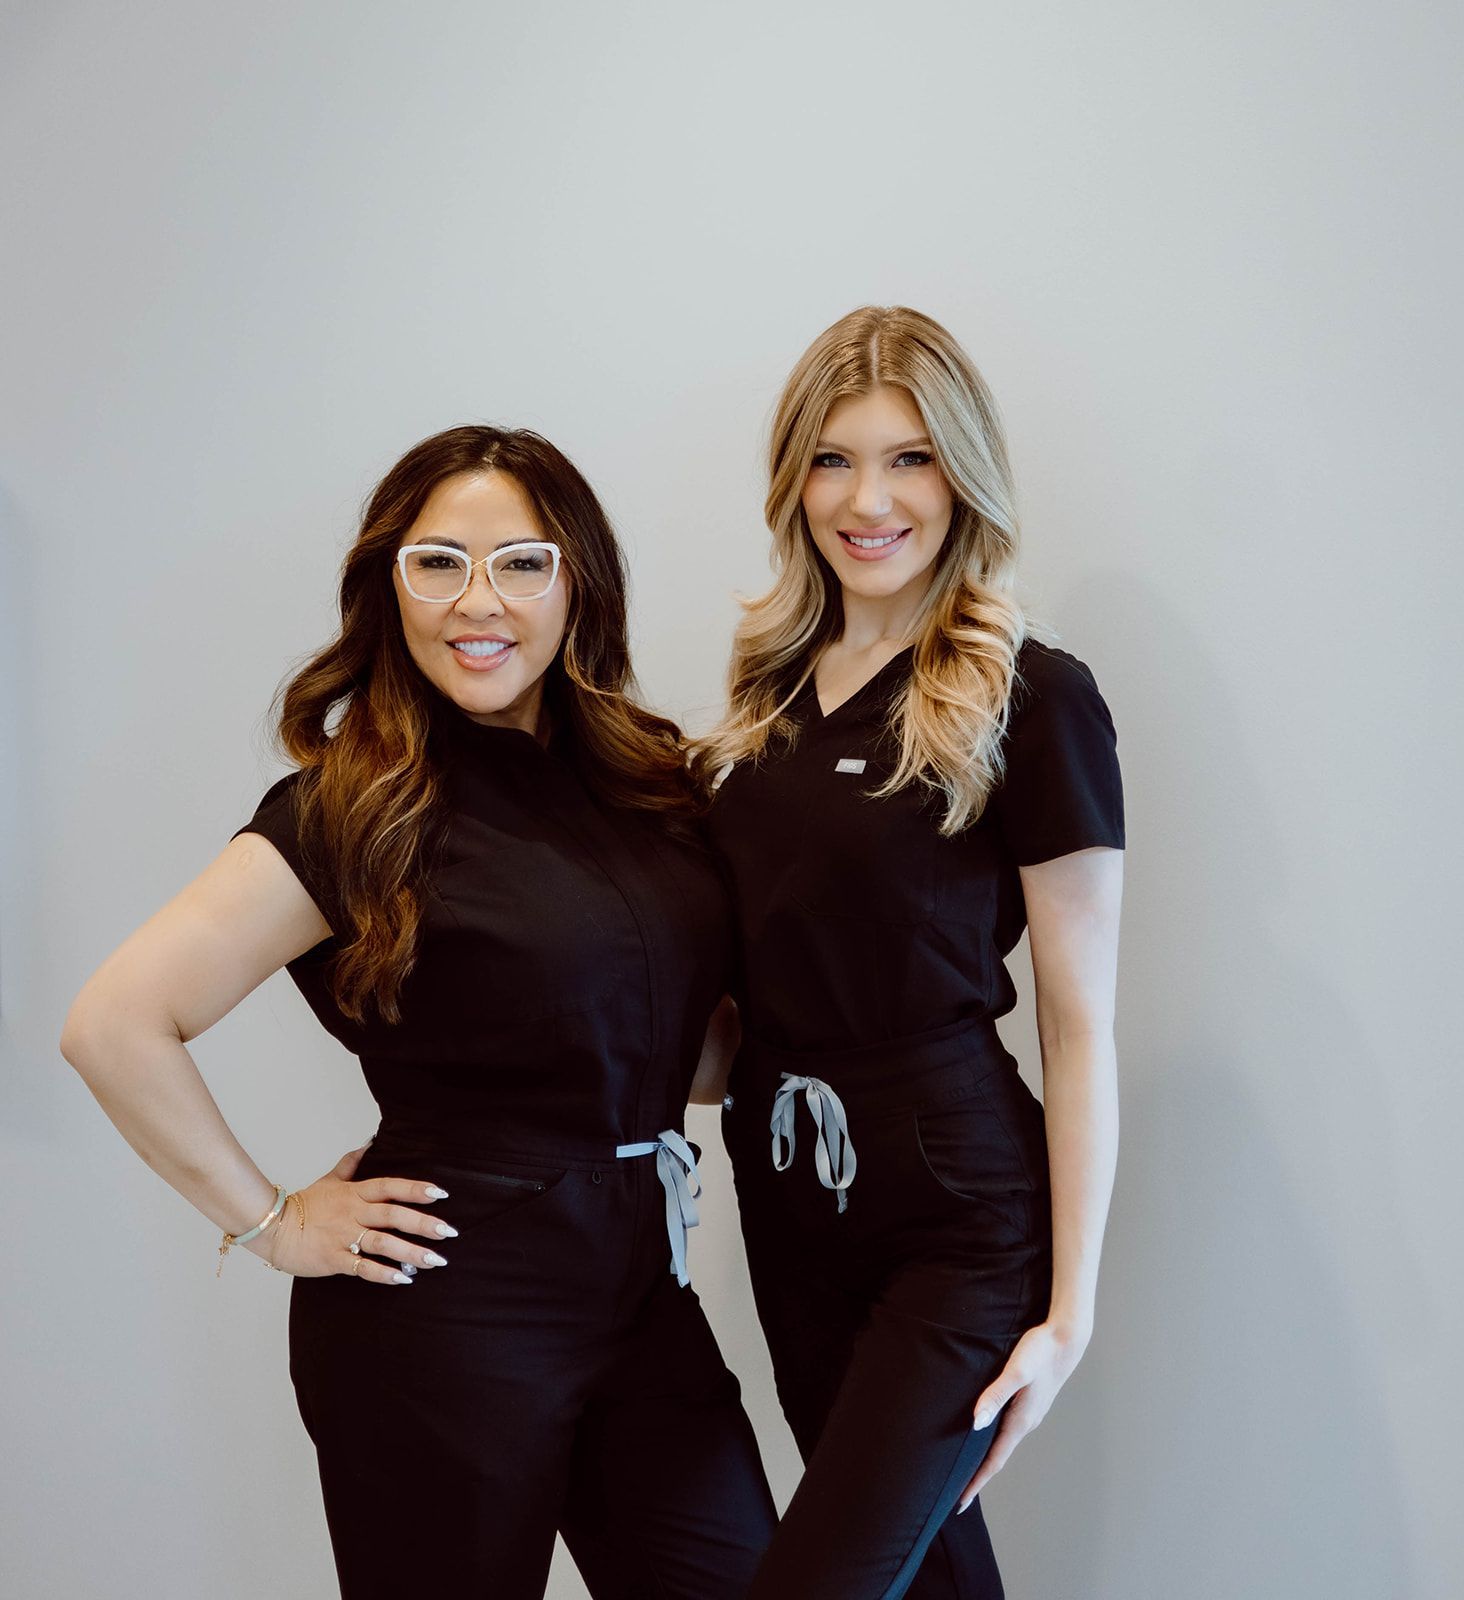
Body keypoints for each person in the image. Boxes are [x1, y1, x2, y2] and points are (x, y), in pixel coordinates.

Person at [60, 424, 777, 1600]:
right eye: (436, 562)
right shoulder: (349, 807)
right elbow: (114, 1022)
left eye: (519, 563)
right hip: (449, 1314)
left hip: (644, 1296)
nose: (474, 602)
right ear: (388, 586)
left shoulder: (649, 779)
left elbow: (687, 1055)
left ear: (576, 581)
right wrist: (273, 1220)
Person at [691, 306, 1125, 1599]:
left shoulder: (1034, 695)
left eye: (909, 459)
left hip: (956, 1206)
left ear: (963, 476)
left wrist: (1071, 1312)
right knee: (925, 1575)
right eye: (833, 459)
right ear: (793, 481)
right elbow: (741, 985)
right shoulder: (763, 698)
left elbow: (1078, 1024)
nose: (867, 499)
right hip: (784, 1188)